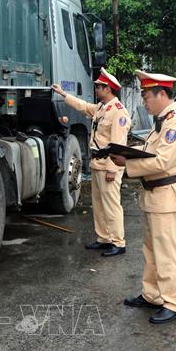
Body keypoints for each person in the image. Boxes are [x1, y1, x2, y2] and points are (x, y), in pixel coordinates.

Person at [109, 70, 176, 324]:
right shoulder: (162, 121)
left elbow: (163, 162)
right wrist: (127, 152)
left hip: (168, 196)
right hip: (156, 196)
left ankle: (172, 303)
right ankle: (153, 294)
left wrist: (126, 163)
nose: (144, 101)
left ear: (162, 94)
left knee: (167, 253)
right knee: (152, 251)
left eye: (146, 96)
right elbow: (148, 151)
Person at [51, 68, 131, 257]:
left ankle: (118, 242)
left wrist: (113, 168)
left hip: (109, 166)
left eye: (98, 87)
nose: (95, 89)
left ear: (108, 88)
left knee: (111, 205)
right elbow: (83, 106)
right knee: (100, 205)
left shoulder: (118, 112)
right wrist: (64, 94)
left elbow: (119, 143)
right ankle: (104, 238)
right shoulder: (103, 108)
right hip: (98, 164)